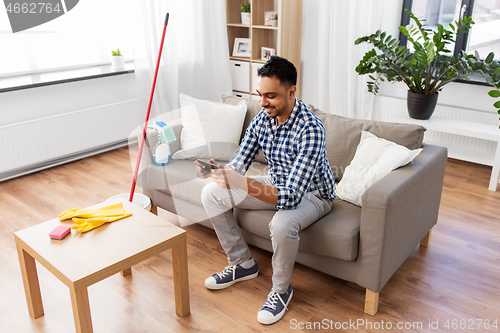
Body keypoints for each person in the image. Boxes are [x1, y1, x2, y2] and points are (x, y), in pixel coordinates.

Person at [194, 55, 336, 325]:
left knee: (282, 225)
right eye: (260, 94)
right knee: (210, 194)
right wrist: (220, 172)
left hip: (313, 194)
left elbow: (292, 197)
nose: (262, 103)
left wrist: (239, 182)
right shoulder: (262, 119)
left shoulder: (311, 129)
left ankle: (281, 290)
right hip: (279, 183)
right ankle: (242, 264)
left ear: (291, 91)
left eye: (270, 96)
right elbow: (240, 162)